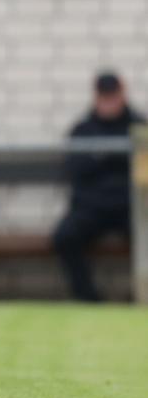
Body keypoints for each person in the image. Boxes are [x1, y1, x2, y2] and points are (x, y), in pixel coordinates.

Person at [52, 72, 145, 301]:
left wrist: (101, 157)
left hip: (130, 206)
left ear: (122, 94)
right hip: (92, 208)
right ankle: (88, 298)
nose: (109, 102)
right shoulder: (83, 129)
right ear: (96, 97)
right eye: (104, 97)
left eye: (113, 96)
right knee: (65, 237)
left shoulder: (140, 128)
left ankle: (139, 295)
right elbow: (75, 170)